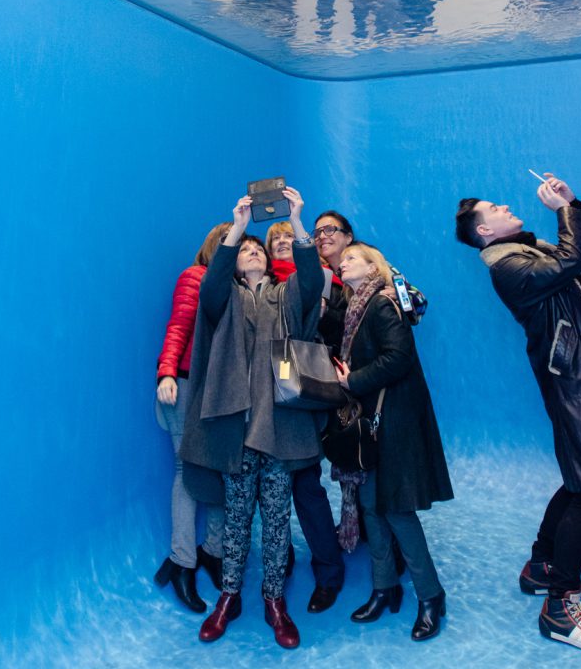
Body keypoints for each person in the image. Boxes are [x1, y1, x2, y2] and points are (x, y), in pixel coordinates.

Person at [455, 174, 581, 655]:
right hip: (574, 384)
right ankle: (560, 609)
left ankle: (541, 566)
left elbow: (580, 248)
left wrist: (572, 204)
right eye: (494, 207)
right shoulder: (508, 267)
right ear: (485, 233)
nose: (505, 206)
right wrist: (564, 210)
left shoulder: (529, 251)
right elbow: (576, 255)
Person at [180, 188, 324, 649]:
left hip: (279, 431)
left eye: (256, 248)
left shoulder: (285, 296)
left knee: (279, 523)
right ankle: (228, 598)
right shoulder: (226, 299)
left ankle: (275, 602)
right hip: (238, 432)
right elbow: (212, 285)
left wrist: (298, 219)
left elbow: (314, 282)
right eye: (244, 251)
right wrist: (239, 226)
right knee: (239, 521)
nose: (251, 253)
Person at [334, 242, 453, 642]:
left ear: (373, 267)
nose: (343, 260)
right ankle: (385, 588)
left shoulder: (382, 303)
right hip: (373, 425)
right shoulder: (356, 306)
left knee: (398, 511)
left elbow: (399, 357)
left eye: (352, 257)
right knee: (371, 507)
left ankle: (431, 596)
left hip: (393, 424)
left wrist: (352, 380)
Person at [264, 220, 346, 613]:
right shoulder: (259, 286)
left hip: (297, 395)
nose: (281, 244)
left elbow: (311, 280)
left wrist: (297, 223)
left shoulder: (310, 278)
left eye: (288, 239)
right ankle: (282, 562)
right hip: (264, 406)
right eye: (274, 240)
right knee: (274, 494)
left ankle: (329, 572)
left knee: (307, 491)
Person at [153, 223, 228, 612]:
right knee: (188, 470)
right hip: (183, 385)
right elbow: (178, 325)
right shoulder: (195, 276)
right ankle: (183, 562)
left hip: (218, 393)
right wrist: (166, 372)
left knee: (217, 470)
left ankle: (213, 551)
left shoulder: (237, 289)